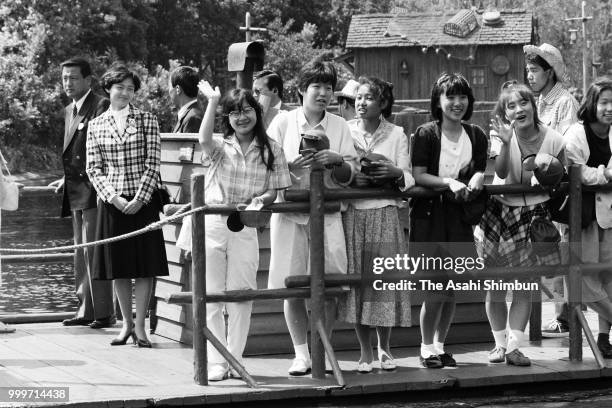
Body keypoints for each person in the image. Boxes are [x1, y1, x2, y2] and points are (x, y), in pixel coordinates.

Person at [176, 82, 291, 381]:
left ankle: (235, 359)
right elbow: (202, 138)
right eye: (235, 113)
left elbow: (274, 191)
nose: (242, 117)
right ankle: (217, 361)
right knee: (212, 293)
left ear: (257, 113)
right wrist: (213, 101)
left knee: (241, 295)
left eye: (247, 111)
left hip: (245, 223)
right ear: (227, 118)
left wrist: (260, 200)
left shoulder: (272, 149)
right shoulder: (219, 146)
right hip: (214, 222)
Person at [267, 60, 358, 376]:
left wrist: (336, 160)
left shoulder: (340, 125)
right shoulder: (282, 123)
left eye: (328, 87)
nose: (323, 93)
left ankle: (323, 346)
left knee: (330, 285)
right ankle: (301, 353)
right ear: (301, 90)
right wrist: (289, 166)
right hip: (291, 216)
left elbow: (349, 174)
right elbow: (265, 167)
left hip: (329, 215)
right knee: (292, 284)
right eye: (316, 86)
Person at [86, 63, 169, 348]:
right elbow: (93, 168)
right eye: (119, 87)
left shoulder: (148, 120)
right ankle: (125, 326)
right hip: (113, 204)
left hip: (143, 202)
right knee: (118, 267)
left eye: (130, 89)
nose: (125, 93)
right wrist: (115, 198)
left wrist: (140, 198)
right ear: (108, 89)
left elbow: (153, 163)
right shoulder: (96, 125)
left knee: (145, 266)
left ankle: (142, 327)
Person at [483, 83, 565, 366]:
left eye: (523, 103)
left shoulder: (553, 138)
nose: (519, 110)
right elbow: (502, 172)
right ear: (505, 113)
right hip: (500, 212)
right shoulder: (500, 135)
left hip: (535, 215)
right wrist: (506, 142)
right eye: (511, 106)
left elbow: (561, 178)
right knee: (494, 284)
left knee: (525, 284)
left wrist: (550, 172)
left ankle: (515, 346)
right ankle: (499, 344)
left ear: (533, 105)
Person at [411, 73, 488, 368]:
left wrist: (478, 177)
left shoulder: (476, 135)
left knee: (451, 286)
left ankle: (440, 346)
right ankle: (426, 347)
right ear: (438, 101)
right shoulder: (426, 133)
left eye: (462, 97)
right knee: (434, 287)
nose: (457, 103)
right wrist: (447, 182)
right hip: (430, 216)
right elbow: (418, 175)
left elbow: (479, 168)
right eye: (450, 97)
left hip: (460, 216)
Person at [338, 76, 414, 373]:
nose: (360, 102)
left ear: (382, 103)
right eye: (358, 97)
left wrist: (393, 171)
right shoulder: (344, 131)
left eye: (368, 97)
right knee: (357, 283)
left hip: (384, 213)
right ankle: (364, 352)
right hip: (354, 213)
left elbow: (407, 178)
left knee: (383, 283)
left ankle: (385, 349)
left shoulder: (397, 134)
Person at [48, 57, 115, 329]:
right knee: (80, 253)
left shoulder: (100, 105)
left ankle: (103, 312)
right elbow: (75, 154)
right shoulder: (69, 110)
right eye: (65, 78)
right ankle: (85, 309)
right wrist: (65, 178)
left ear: (88, 80)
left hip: (94, 189)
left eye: (73, 77)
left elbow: (101, 149)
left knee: (95, 251)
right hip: (75, 190)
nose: (68, 83)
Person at [523, 43, 580, 338]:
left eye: (534, 70)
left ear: (549, 72)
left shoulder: (564, 102)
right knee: (547, 246)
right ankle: (560, 315)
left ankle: (566, 315)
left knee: (563, 248)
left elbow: (566, 145)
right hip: (540, 181)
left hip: (560, 184)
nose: (530, 76)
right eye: (528, 71)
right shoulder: (539, 101)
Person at [565, 77, 612, 359]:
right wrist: (604, 173)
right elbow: (578, 172)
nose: (609, 108)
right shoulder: (576, 133)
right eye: (605, 102)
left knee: (609, 275)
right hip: (583, 215)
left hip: (610, 213)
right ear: (592, 102)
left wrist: (602, 173)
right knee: (583, 277)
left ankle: (604, 337)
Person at [169, 66, 203, 133]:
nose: (169, 92)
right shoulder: (189, 115)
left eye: (169, 87)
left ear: (178, 89)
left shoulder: (193, 118)